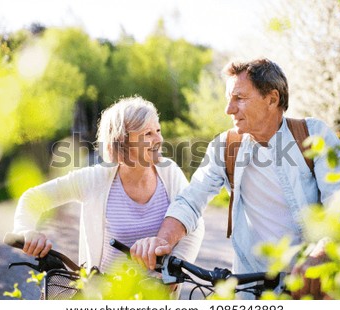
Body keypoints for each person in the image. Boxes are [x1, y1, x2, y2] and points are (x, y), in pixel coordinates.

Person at [131, 59, 340, 299]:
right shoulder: (225, 146)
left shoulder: (313, 135)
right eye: (229, 99)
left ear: (272, 99)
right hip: (249, 289)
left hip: (312, 285)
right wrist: (162, 242)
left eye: (239, 98)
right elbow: (191, 199)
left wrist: (321, 256)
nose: (229, 109)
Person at [12, 96, 205, 294]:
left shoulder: (169, 172)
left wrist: (170, 274)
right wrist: (25, 231)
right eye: (147, 133)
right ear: (122, 142)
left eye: (158, 130)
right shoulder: (95, 179)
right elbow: (32, 198)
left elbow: (194, 224)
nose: (159, 140)